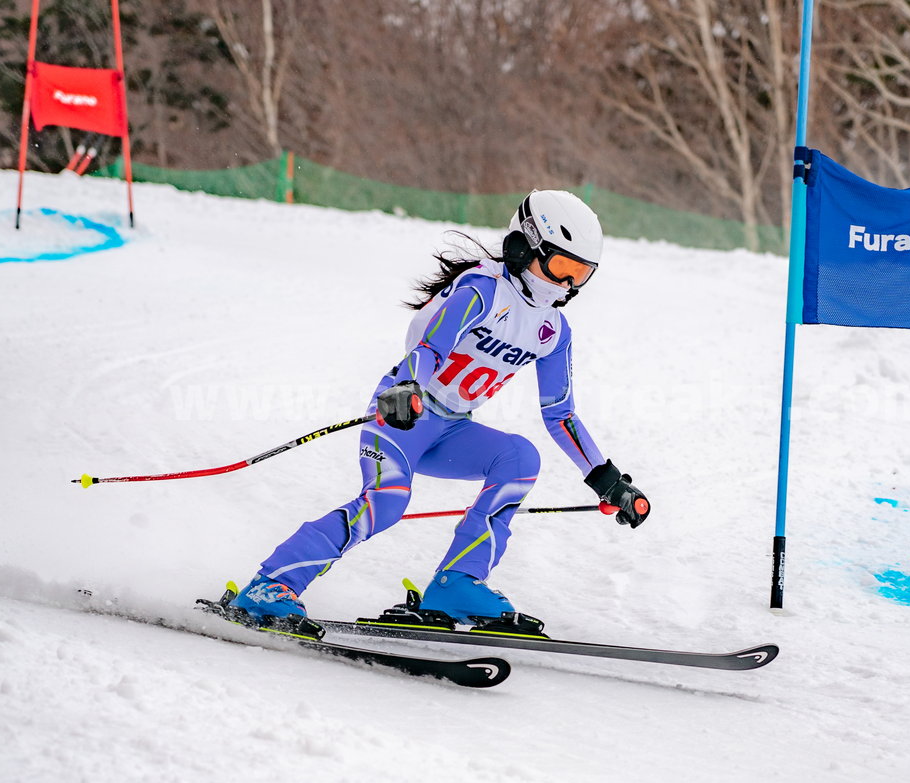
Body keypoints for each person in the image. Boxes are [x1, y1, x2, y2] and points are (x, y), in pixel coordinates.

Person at [229, 190, 649, 628]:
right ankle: (271, 584)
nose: (566, 285)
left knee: (520, 457)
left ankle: (458, 583)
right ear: (524, 247)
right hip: (404, 412)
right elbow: (429, 347)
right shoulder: (483, 290)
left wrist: (606, 480)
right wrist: (406, 387)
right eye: (561, 267)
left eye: (580, 275)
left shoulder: (553, 331)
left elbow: (560, 413)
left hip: (451, 430)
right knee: (386, 504)